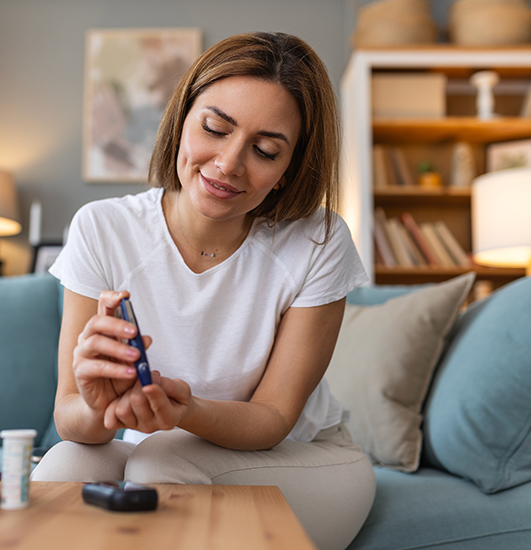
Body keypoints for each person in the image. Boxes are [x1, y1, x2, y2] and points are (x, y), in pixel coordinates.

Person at [32, 32, 375, 550]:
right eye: (215, 128)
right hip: (161, 456)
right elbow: (70, 416)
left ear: (287, 171)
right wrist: (100, 406)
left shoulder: (317, 240)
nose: (228, 163)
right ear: (182, 119)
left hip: (300, 458)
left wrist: (184, 412)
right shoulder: (103, 228)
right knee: (67, 462)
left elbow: (273, 417)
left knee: (164, 456)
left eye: (264, 150)